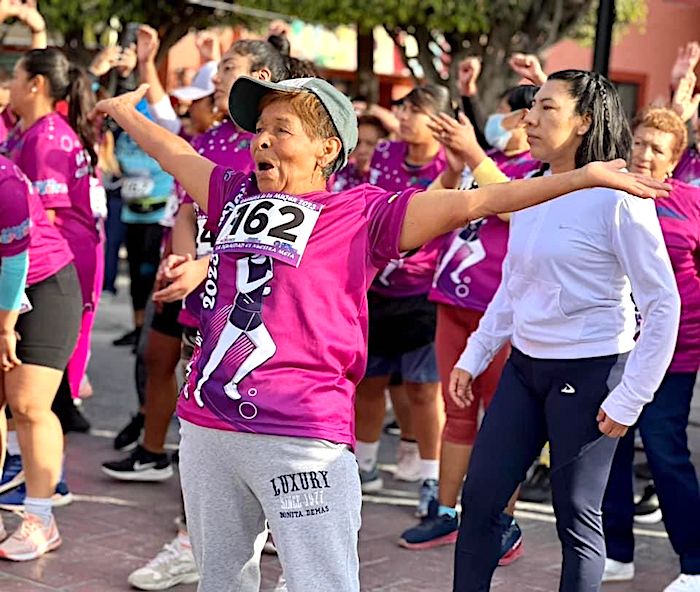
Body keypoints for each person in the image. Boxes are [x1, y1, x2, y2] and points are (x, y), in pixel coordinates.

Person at [92, 73, 669, 592]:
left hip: (302, 441)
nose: (261, 140)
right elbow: (173, 153)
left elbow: (481, 200)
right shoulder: (230, 192)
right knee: (221, 581)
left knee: (320, 583)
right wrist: (124, 111)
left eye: (281, 129)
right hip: (208, 430)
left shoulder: (365, 214)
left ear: (328, 150)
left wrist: (584, 180)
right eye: (259, 129)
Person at [449, 70, 681, 592]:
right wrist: (475, 354)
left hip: (593, 372)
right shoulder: (530, 189)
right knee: (482, 500)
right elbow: (514, 286)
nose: (529, 118)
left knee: (575, 515)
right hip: (525, 369)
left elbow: (663, 303)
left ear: (583, 122)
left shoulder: (621, 197)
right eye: (531, 106)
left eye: (547, 108)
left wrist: (632, 397)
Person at [111, 36, 288, 592]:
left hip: (265, 308)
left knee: (268, 424)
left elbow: (284, 233)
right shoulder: (211, 134)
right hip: (209, 300)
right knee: (206, 418)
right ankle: (196, 537)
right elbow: (190, 204)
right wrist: (189, 257)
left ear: (259, 75)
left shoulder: (280, 149)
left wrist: (209, 262)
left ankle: (291, 537)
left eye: (228, 68)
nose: (215, 76)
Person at [399, 85, 541, 556]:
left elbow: (508, 202)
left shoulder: (538, 170)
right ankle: (445, 513)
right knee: (455, 412)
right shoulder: (481, 165)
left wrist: (474, 154)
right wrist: (456, 164)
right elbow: (431, 208)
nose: (498, 123)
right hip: (451, 305)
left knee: (502, 421)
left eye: (505, 114)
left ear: (525, 118)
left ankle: (502, 524)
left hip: (498, 315)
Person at [601, 107, 700, 592]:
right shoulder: (606, 192)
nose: (644, 154)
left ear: (674, 158)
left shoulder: (691, 204)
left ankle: (695, 564)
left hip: (675, 353)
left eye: (656, 148)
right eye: (639, 143)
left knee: (665, 452)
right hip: (616, 347)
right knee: (611, 449)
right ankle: (618, 554)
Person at [0, 47, 103, 506]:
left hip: (47, 271)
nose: (10, 87)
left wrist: (9, 319)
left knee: (31, 398)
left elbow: (36, 232)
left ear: (36, 84)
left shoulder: (45, 141)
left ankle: (44, 491)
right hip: (25, 269)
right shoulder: (27, 132)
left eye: (16, 77)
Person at [355, 84, 449, 517]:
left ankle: (431, 478)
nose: (406, 117)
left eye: (417, 110)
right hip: (375, 288)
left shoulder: (450, 165)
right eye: (404, 109)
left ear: (438, 120)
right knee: (370, 384)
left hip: (423, 293)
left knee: (424, 391)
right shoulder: (387, 155)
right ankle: (363, 468)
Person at [0, 156, 82, 560]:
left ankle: (40, 518)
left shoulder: (5, 182)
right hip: (5, 294)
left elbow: (14, 266)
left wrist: (4, 330)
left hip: (45, 285)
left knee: (29, 404)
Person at [332, 115, 388, 191]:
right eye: (358, 143)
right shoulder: (339, 171)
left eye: (370, 143)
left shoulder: (389, 178)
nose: (362, 150)